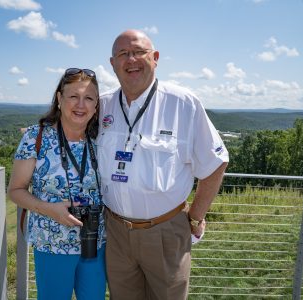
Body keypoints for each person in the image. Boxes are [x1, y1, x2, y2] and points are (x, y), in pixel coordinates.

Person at [97, 29, 229, 300]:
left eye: (139, 52)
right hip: (116, 232)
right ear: (112, 64)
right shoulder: (102, 105)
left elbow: (215, 163)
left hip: (166, 232)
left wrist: (196, 217)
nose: (131, 59)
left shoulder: (183, 103)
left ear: (155, 58)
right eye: (122, 54)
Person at [8, 68, 106, 300]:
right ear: (60, 99)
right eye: (73, 96)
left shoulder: (101, 139)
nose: (80, 105)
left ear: (96, 106)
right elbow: (15, 191)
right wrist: (49, 209)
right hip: (51, 244)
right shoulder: (36, 137)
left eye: (89, 98)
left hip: (95, 242)